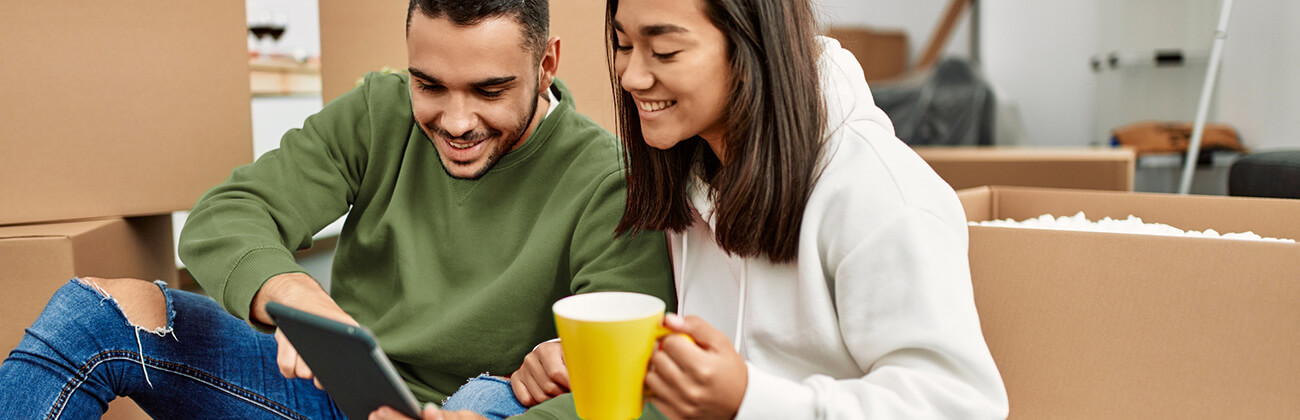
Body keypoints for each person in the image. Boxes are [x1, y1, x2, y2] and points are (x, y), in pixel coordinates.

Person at [0, 0, 674, 418]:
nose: (457, 120)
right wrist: (289, 292)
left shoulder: (611, 180)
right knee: (97, 311)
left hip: (481, 412)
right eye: (430, 85)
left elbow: (624, 391)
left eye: (491, 90)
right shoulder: (380, 110)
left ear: (548, 63)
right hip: (331, 395)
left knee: (484, 400)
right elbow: (227, 212)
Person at [411, 0, 1011, 418]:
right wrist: (594, 360)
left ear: (750, 44)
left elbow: (962, 405)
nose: (631, 75)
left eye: (665, 51)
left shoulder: (880, 195)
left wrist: (748, 398)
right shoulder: (694, 179)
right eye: (621, 44)